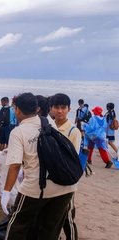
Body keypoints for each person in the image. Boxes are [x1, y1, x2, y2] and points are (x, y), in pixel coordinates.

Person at [2, 93, 75, 240]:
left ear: (17, 110)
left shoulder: (18, 132)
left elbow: (15, 166)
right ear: (36, 109)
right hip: (66, 186)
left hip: (37, 186)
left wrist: (6, 192)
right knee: (49, 230)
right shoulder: (48, 122)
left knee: (17, 224)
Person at [49, 93, 82, 240]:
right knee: (51, 216)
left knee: (67, 216)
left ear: (69, 109)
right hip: (50, 180)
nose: (60, 111)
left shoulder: (73, 131)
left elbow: (72, 159)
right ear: (51, 108)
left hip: (66, 181)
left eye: (63, 107)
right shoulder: (47, 127)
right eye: (56, 107)